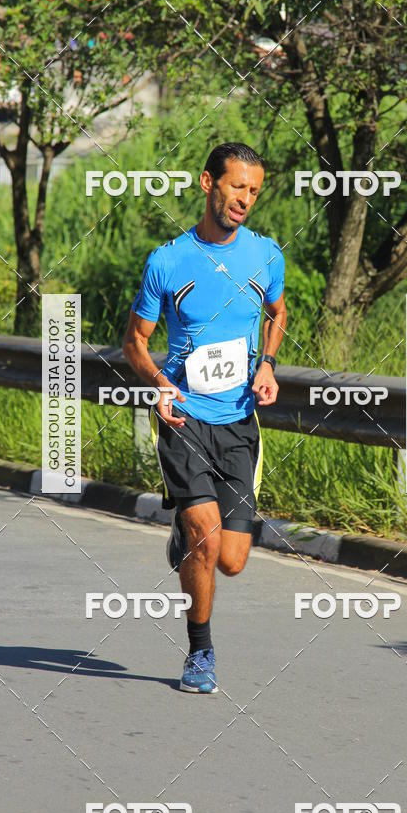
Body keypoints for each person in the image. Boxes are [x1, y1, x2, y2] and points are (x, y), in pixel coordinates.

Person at [123, 142, 287, 693]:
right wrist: (160, 383)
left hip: (239, 419)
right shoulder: (168, 261)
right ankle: (200, 653)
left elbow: (278, 310)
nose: (245, 199)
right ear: (207, 183)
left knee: (233, 560)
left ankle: (185, 537)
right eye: (237, 186)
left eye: (255, 191)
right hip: (182, 414)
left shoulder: (266, 255)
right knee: (206, 537)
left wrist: (266, 364)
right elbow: (136, 343)